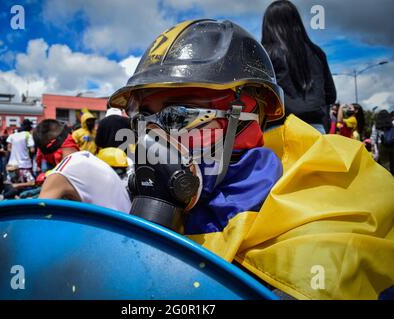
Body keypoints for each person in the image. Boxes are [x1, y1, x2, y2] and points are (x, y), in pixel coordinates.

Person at [108, 19, 394, 300]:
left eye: (178, 116)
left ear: (244, 120)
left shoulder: (325, 218)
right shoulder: (188, 201)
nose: (153, 140)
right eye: (143, 119)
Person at [262, 0, 336, 134]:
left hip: (278, 129)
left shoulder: (265, 54)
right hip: (315, 129)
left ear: (268, 25)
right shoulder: (316, 53)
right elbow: (331, 95)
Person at [35, 119, 131, 212]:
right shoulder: (90, 158)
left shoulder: (61, 173)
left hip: (111, 227)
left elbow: (38, 217)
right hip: (128, 224)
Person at [371, 109, 394, 174]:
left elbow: (373, 138)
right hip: (392, 145)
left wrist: (374, 150)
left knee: (385, 165)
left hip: (382, 146)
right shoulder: (391, 124)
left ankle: (388, 180)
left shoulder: (376, 125)